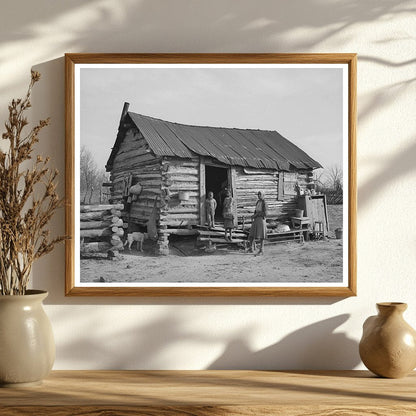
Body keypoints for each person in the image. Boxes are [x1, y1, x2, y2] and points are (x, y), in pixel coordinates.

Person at [248, 191, 268, 255]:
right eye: (258, 194)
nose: (259, 195)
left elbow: (265, 213)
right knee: (252, 233)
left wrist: (256, 215)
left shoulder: (264, 203)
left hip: (261, 220)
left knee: (261, 235)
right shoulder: (258, 202)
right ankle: (251, 248)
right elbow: (256, 210)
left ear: (263, 195)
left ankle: (261, 250)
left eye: (260, 194)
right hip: (256, 219)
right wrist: (254, 215)